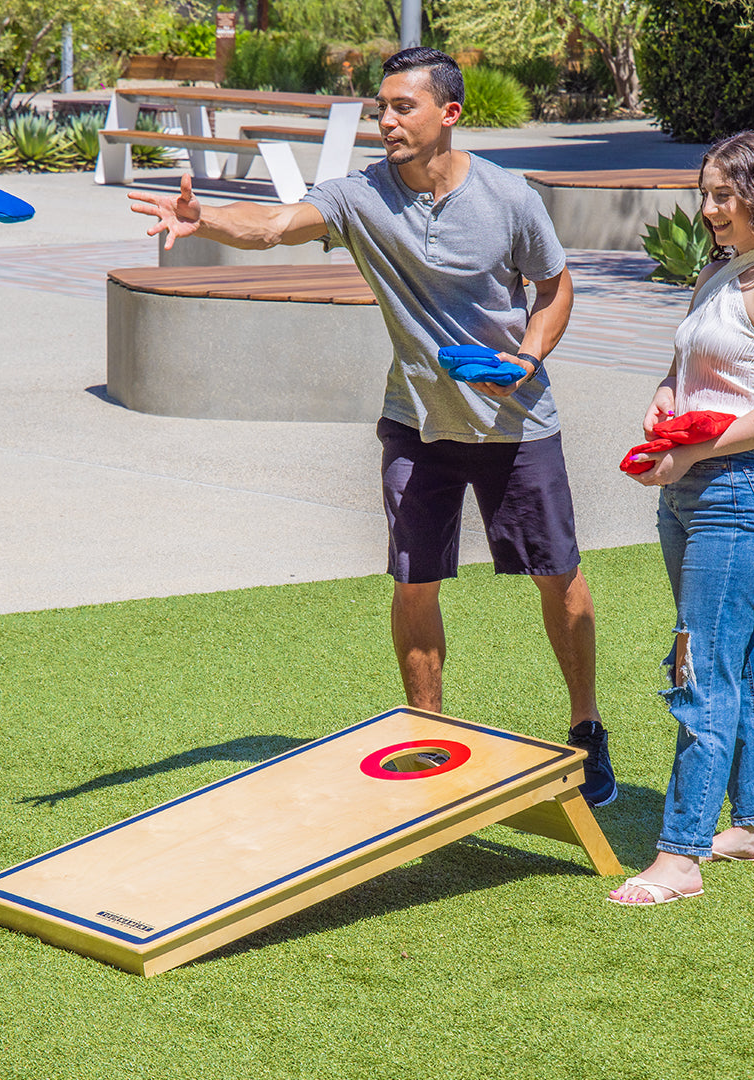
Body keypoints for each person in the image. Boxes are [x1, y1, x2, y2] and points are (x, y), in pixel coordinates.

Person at [128, 47, 617, 807]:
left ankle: (586, 726)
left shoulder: (508, 197)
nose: (385, 121)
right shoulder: (361, 197)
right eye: (381, 108)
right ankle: (428, 736)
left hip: (515, 420)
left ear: (448, 114)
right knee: (414, 580)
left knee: (557, 574)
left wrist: (526, 354)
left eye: (402, 107)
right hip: (415, 421)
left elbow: (555, 286)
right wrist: (207, 219)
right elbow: (276, 226)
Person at [609, 131, 754, 905]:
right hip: (688, 491)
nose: (707, 210)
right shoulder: (715, 269)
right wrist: (665, 397)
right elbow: (691, 367)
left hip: (736, 495)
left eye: (722, 196)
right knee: (734, 661)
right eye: (705, 194)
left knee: (697, 666)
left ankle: (681, 854)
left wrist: (693, 455)